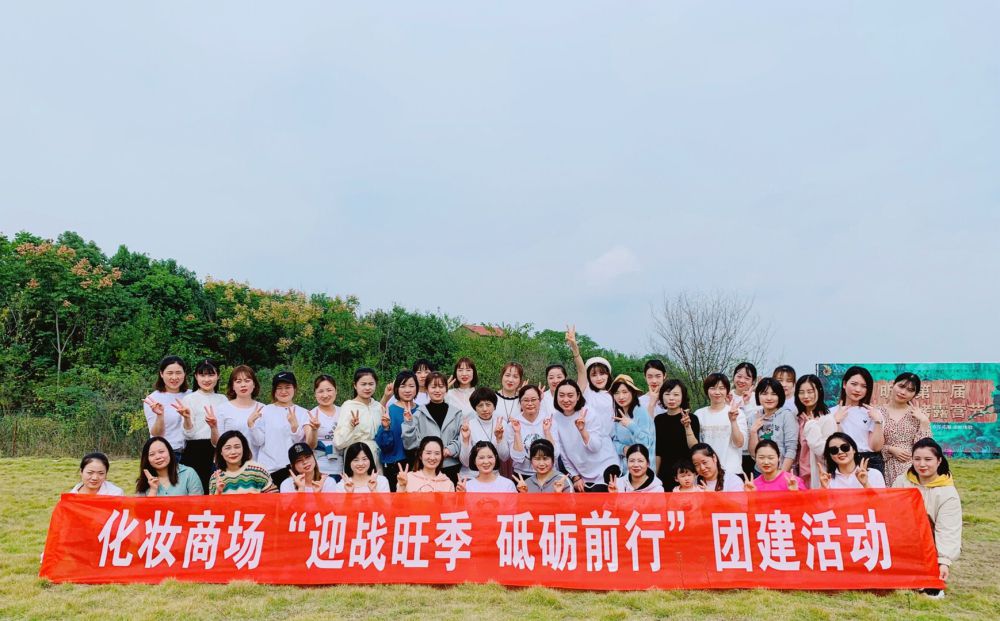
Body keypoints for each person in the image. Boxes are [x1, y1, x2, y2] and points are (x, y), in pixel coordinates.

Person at [892, 438, 962, 593]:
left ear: (939, 461)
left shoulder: (948, 493)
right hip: (902, 540)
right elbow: (890, 512)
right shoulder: (901, 481)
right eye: (917, 459)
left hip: (930, 545)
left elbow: (948, 529)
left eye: (928, 459)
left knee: (928, 588)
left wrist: (943, 561)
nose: (922, 464)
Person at [550, 378, 618, 492]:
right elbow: (563, 453)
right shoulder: (556, 418)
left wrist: (582, 430)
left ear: (578, 396)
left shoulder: (588, 413)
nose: (566, 399)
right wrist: (575, 476)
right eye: (561, 395)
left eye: (570, 395)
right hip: (582, 473)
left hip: (605, 467)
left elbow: (595, 447)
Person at [248, 371, 309, 488]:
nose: (283, 391)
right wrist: (251, 425)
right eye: (279, 388)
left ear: (295, 388)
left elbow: (301, 445)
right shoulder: (265, 410)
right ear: (274, 391)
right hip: (268, 470)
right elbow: (258, 441)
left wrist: (294, 427)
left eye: (287, 387)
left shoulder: (303, 413)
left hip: (293, 471)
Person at [175, 358, 227, 494]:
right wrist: (187, 418)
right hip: (195, 451)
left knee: (217, 491)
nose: (207, 379)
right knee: (195, 493)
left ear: (218, 376)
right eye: (202, 375)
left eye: (211, 375)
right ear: (196, 377)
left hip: (218, 451)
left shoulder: (223, 400)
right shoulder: (189, 399)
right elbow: (188, 434)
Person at [402, 371, 463, 483]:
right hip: (427, 467)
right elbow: (409, 444)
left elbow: (462, 437)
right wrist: (408, 422)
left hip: (451, 466)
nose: (437, 390)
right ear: (426, 389)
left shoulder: (456, 413)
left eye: (441, 386)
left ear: (446, 389)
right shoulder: (419, 414)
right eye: (433, 387)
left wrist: (450, 449)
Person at [830, 366, 886, 474]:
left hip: (870, 462)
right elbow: (834, 443)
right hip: (842, 460)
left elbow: (876, 447)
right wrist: (836, 421)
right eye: (854, 384)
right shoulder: (832, 413)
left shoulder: (873, 413)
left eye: (864, 386)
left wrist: (878, 421)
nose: (858, 390)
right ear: (844, 384)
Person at [881, 372, 933, 485]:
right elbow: (870, 445)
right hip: (883, 467)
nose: (903, 392)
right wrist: (890, 449)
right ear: (893, 384)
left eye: (910, 390)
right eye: (901, 386)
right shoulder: (878, 413)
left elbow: (925, 447)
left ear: (915, 394)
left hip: (911, 469)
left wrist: (924, 421)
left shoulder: (918, 414)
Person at [693, 373, 747, 478]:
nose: (717, 392)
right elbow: (696, 447)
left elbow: (739, 443)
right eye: (713, 388)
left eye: (722, 388)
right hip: (706, 473)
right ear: (707, 390)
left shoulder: (737, 413)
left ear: (727, 391)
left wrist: (733, 421)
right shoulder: (699, 414)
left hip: (732, 472)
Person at [334, 368, 384, 474]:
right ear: (355, 385)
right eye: (363, 384)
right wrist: (351, 426)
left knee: (376, 482)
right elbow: (338, 442)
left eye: (371, 384)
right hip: (355, 455)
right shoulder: (349, 406)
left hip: (375, 455)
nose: (367, 388)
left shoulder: (377, 407)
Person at [142, 355, 191, 463]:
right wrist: (160, 415)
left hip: (192, 452)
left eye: (178, 373)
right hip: (167, 453)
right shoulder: (153, 399)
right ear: (161, 374)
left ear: (184, 374)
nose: (174, 377)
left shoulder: (192, 396)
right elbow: (156, 434)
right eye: (170, 373)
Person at [653, 379, 700, 490]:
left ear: (683, 396)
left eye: (676, 394)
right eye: (667, 394)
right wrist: (655, 476)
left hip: (686, 474)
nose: (671, 398)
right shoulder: (659, 420)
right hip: (665, 472)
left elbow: (694, 448)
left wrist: (687, 426)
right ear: (662, 396)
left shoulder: (692, 418)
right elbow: (658, 451)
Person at [377, 371, 418, 491]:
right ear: (396, 389)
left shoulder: (421, 411)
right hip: (394, 465)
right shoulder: (390, 410)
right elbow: (384, 445)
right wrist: (386, 428)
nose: (407, 390)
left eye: (411, 386)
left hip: (417, 465)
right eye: (403, 386)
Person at [747, 377, 798, 473]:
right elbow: (753, 454)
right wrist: (753, 431)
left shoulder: (786, 415)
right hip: (760, 472)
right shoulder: (753, 418)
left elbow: (791, 449)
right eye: (764, 393)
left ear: (780, 396)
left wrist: (781, 475)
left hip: (781, 470)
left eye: (774, 394)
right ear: (758, 395)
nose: (769, 398)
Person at [566, 325, 614, 425]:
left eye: (602, 373)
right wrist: (575, 349)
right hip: (586, 433)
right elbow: (581, 371)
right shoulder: (586, 390)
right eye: (594, 375)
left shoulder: (615, 394)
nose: (599, 378)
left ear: (608, 374)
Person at [458, 387, 511, 478]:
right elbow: (465, 462)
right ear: (475, 408)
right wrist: (466, 440)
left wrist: (499, 438)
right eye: (480, 405)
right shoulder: (468, 426)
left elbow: (504, 457)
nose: (485, 409)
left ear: (494, 406)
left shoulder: (502, 424)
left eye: (488, 404)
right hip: (471, 476)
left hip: (493, 476)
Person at [215, 365, 265, 458]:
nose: (243, 385)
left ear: (254, 384)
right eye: (238, 381)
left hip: (255, 463)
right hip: (230, 462)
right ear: (232, 386)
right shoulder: (223, 409)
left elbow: (260, 442)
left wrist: (251, 425)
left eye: (247, 381)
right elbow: (219, 442)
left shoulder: (263, 409)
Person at [796, 374, 836, 489]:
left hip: (816, 475)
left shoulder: (827, 419)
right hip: (799, 474)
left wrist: (811, 426)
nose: (806, 396)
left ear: (819, 391)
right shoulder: (798, 418)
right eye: (801, 392)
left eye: (810, 391)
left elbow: (824, 451)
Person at [510, 384, 558, 478]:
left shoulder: (549, 421)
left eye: (533, 399)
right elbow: (517, 458)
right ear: (520, 402)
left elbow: (555, 454)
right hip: (522, 475)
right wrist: (517, 433)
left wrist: (547, 432)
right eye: (526, 400)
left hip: (548, 473)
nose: (530, 403)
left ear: (540, 400)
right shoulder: (513, 424)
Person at [609, 374, 655, 471]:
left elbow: (647, 443)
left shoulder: (641, 412)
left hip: (643, 469)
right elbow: (615, 441)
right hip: (626, 469)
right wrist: (623, 449)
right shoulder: (618, 414)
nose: (621, 397)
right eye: (616, 393)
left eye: (625, 392)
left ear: (632, 393)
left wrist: (631, 426)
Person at [208, 430, 274, 494]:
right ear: (221, 452)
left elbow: (274, 496)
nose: (233, 452)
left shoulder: (258, 470)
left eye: (237, 447)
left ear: (243, 448)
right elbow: (211, 501)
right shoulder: (216, 478)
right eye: (228, 448)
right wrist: (218, 491)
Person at [136, 436, 204, 496]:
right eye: (152, 454)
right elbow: (141, 506)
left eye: (161, 451)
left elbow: (198, 504)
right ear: (147, 459)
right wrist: (153, 490)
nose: (158, 457)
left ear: (170, 452)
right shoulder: (143, 482)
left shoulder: (189, 474)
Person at [305, 374, 343, 482]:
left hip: (342, 469)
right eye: (320, 391)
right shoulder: (310, 415)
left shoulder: (343, 412)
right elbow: (310, 445)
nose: (325, 395)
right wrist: (314, 429)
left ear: (336, 391)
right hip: (319, 470)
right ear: (315, 394)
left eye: (329, 390)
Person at [818, 433, 886, 489]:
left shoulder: (874, 474)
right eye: (834, 450)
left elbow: (881, 500)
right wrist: (823, 489)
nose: (840, 452)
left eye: (845, 447)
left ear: (854, 449)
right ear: (830, 455)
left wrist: (865, 484)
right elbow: (822, 502)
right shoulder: (827, 479)